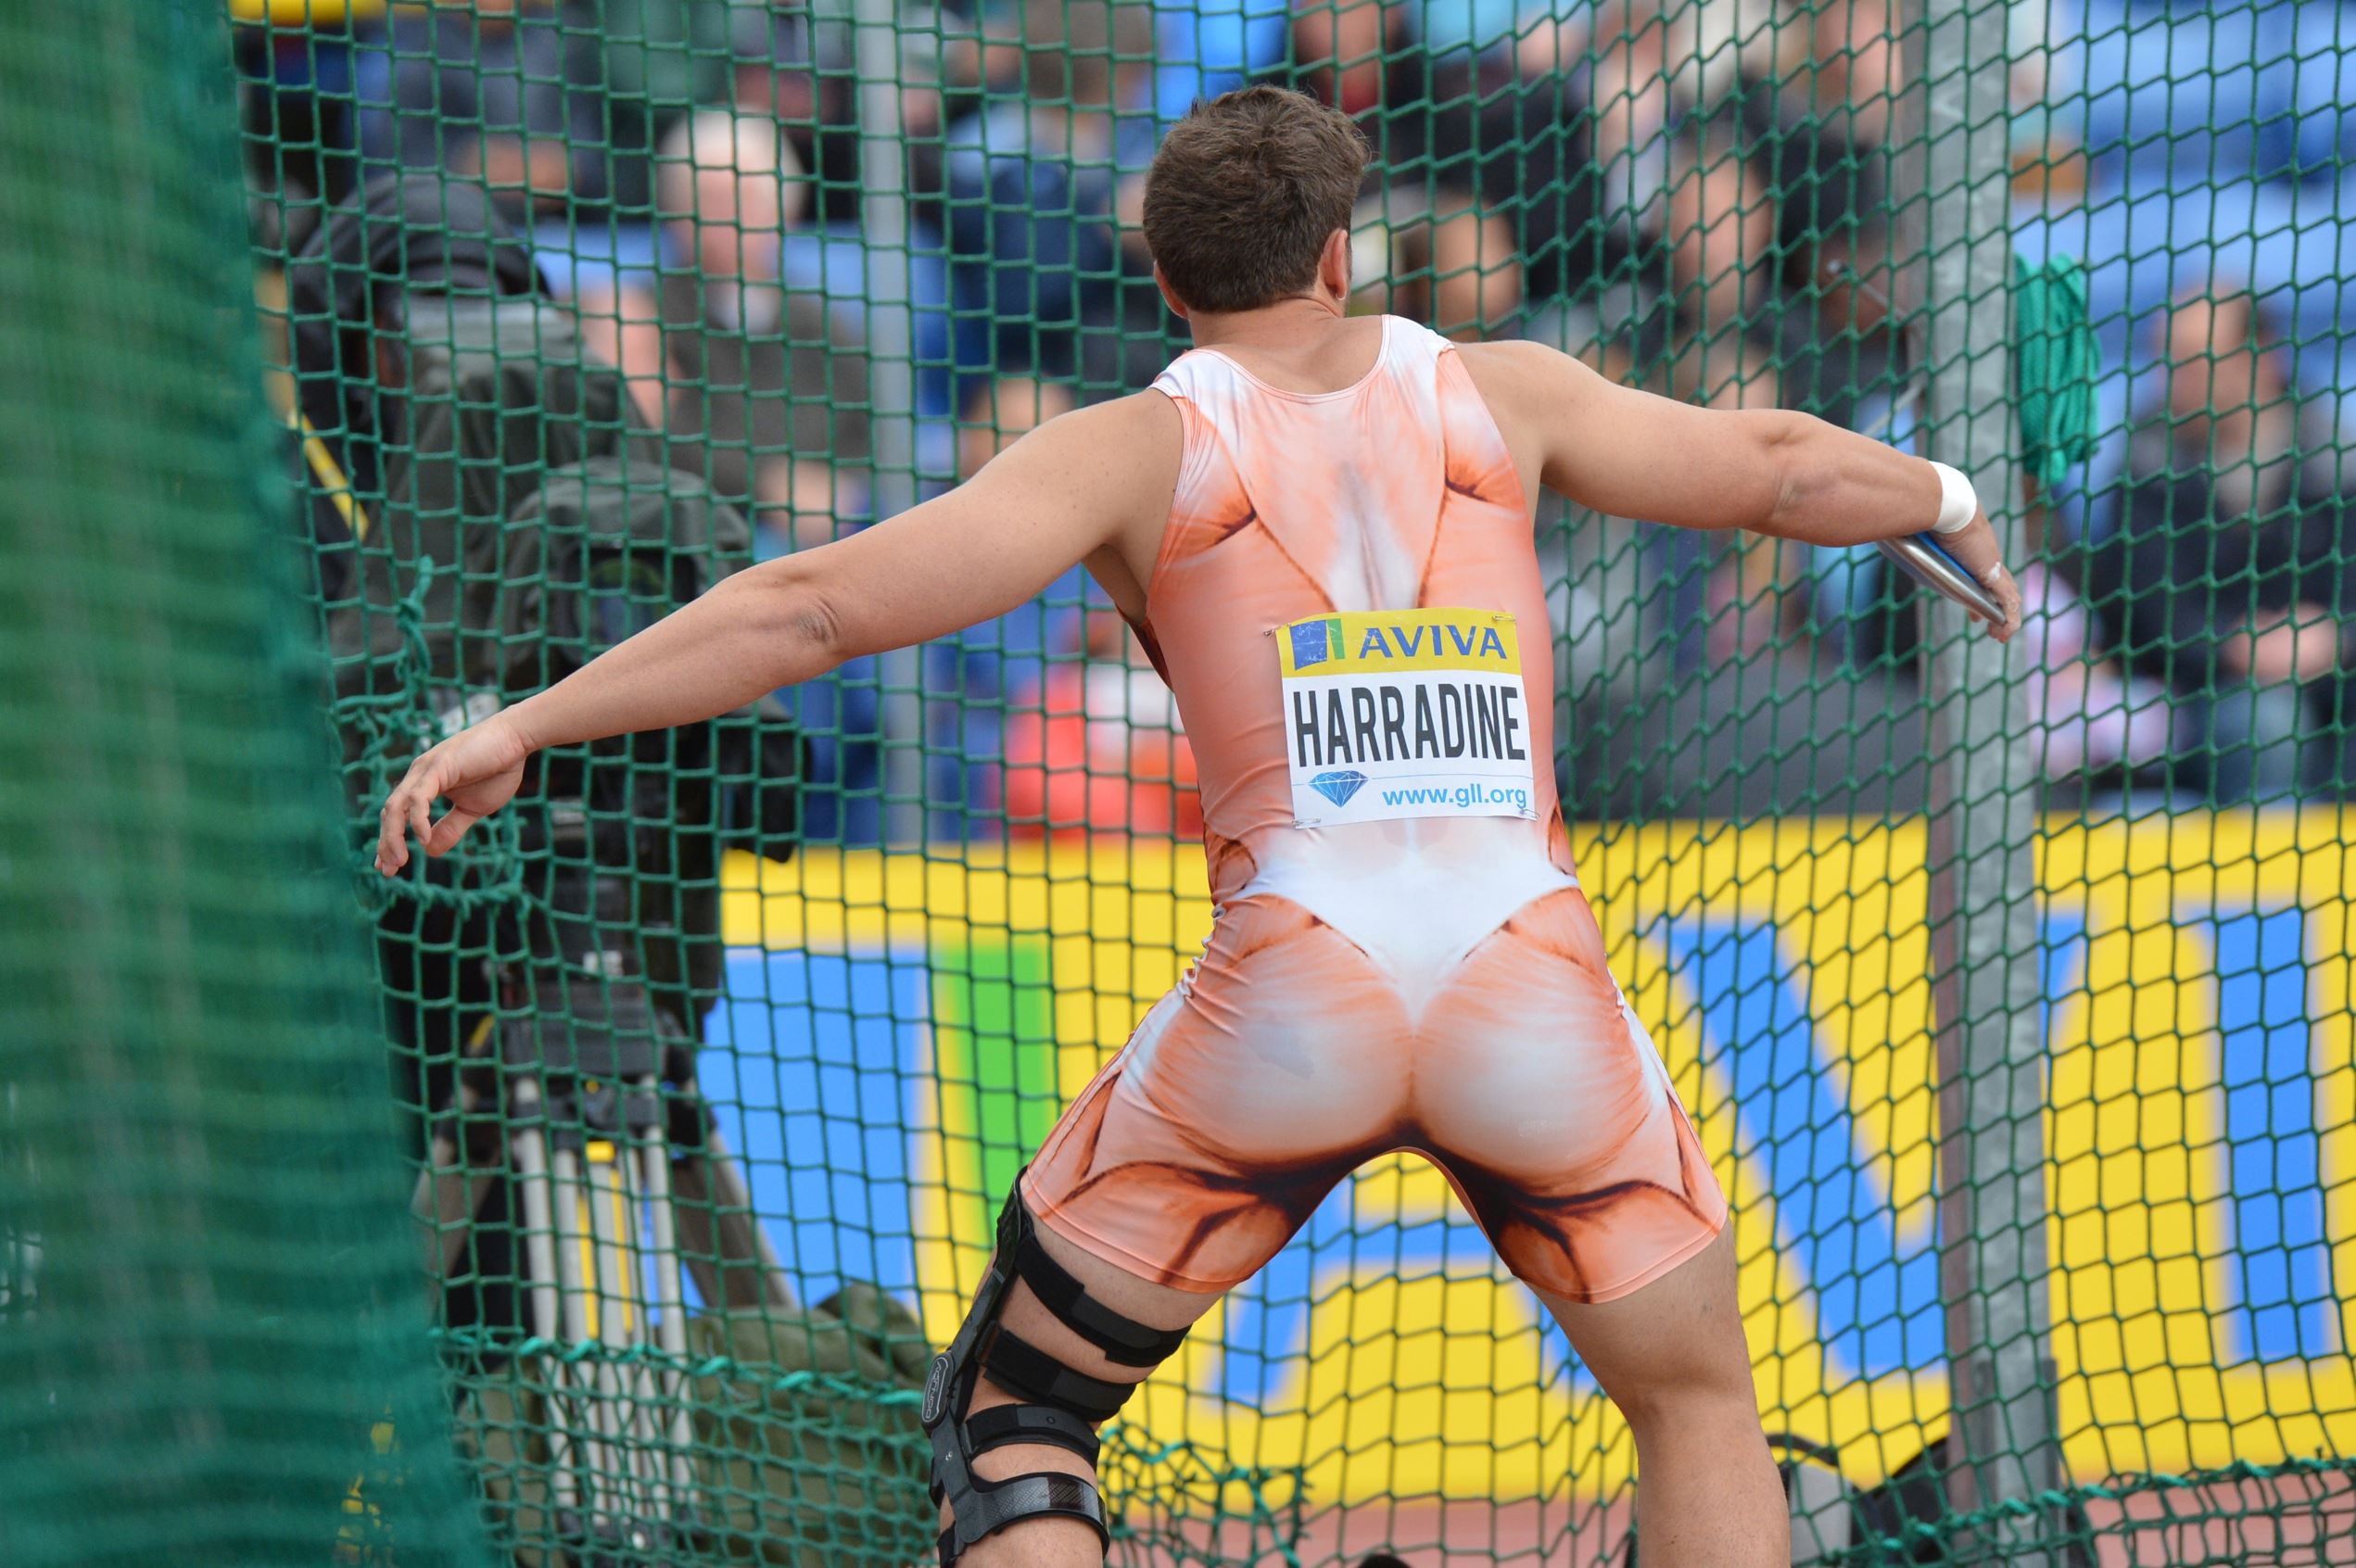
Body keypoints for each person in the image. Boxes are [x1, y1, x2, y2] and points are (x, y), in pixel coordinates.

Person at [374, 85, 2021, 1568]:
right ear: (1335, 251)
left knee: (1014, 1420)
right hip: (1529, 980)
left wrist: (529, 717)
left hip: (1294, 997)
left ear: (1164, 280)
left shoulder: (1133, 446)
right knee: (1695, 1402)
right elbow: (1780, 462)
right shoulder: (1504, 392)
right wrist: (1943, 500)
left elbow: (811, 607)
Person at [2086, 286, 2356, 800]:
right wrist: (2238, 647)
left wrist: (2335, 635)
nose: (2173, 379)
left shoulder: (2336, 457)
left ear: (2260, 358)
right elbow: (2145, 613)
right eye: (2169, 360)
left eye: (2192, 361)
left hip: (2335, 682)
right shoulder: (2147, 467)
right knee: (2266, 723)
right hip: (2199, 694)